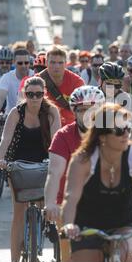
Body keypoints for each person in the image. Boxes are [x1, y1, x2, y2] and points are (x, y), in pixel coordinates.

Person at [61, 103, 132, 262]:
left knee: (125, 250)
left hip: (127, 222)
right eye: (118, 130)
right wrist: (68, 224)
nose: (125, 134)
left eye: (127, 128)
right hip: (88, 223)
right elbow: (71, 197)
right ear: (102, 136)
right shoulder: (83, 160)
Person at [0, 77, 61, 262]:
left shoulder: (51, 112)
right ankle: (14, 260)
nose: (34, 98)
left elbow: (57, 140)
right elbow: (6, 140)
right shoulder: (16, 113)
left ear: (44, 94)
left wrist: (59, 161)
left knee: (44, 203)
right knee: (19, 211)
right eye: (30, 94)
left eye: (38, 94)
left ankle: (45, 227)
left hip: (44, 162)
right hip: (18, 164)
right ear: (25, 94)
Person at [45, 86, 105, 222]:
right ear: (74, 112)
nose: (88, 114)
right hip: (68, 202)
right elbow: (54, 172)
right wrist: (50, 203)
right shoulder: (63, 136)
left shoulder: (111, 134)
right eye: (82, 110)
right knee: (68, 240)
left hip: (103, 201)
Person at [37, 46, 85, 126]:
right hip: (43, 128)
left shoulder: (77, 82)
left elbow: (83, 110)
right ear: (46, 63)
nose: (57, 66)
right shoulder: (37, 81)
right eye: (53, 62)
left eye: (60, 63)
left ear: (66, 64)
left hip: (69, 130)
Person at [0, 49, 35, 125]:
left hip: (32, 117)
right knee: (5, 136)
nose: (23, 65)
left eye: (26, 63)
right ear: (14, 62)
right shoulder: (6, 77)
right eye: (20, 63)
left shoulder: (35, 76)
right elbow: (0, 98)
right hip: (10, 116)